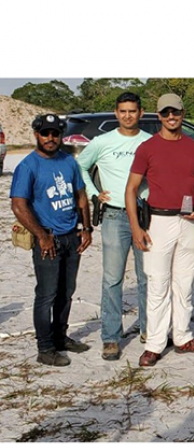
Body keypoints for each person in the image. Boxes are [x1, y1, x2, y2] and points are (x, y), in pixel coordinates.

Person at [125, 93, 194, 367]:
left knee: (185, 282)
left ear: (182, 113)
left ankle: (182, 337)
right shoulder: (147, 147)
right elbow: (131, 189)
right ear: (159, 115)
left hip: (188, 222)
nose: (171, 117)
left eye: (175, 112)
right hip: (157, 222)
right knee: (157, 284)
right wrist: (135, 227)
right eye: (165, 113)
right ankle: (154, 344)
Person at [10, 114, 92, 366]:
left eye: (55, 133)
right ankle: (45, 348)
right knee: (46, 294)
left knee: (67, 292)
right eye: (45, 133)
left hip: (71, 236)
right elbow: (18, 206)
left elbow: (80, 195)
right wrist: (42, 236)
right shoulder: (28, 166)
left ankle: (60, 337)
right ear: (36, 134)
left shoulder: (68, 161)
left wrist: (86, 227)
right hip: (48, 239)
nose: (50, 138)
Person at [77, 92, 150, 361]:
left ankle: (147, 329)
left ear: (141, 113)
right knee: (112, 279)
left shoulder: (149, 142)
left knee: (147, 277)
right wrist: (95, 193)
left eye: (133, 111)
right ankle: (110, 337)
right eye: (123, 111)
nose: (128, 115)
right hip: (114, 217)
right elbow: (80, 167)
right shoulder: (102, 142)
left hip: (145, 216)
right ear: (116, 113)